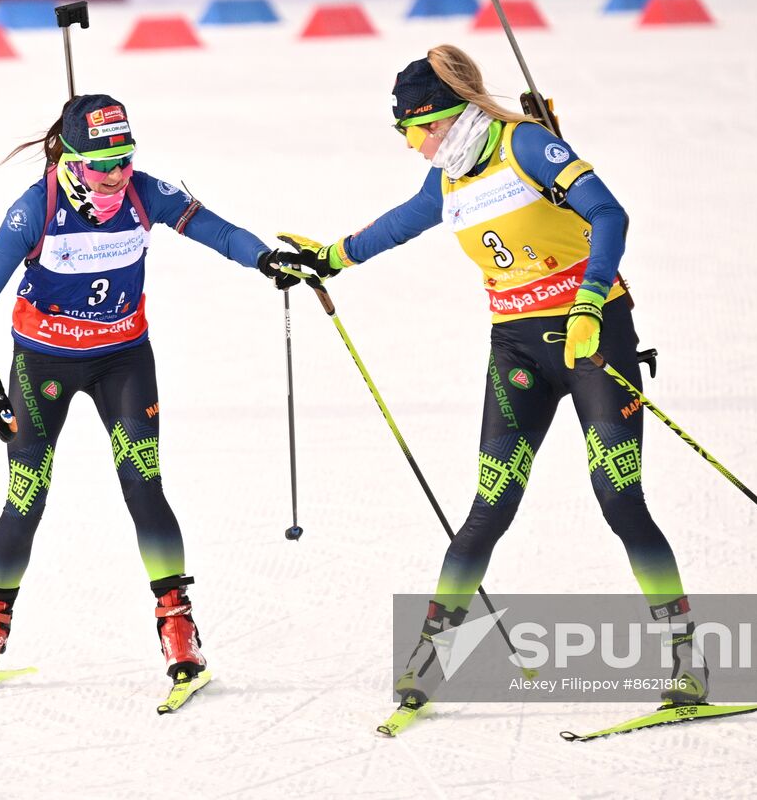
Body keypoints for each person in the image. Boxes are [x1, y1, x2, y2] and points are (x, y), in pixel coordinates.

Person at [283, 45, 706, 709]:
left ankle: (686, 658)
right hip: (516, 347)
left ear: (447, 117)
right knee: (488, 507)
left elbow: (610, 215)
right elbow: (400, 224)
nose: (411, 146)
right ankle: (430, 657)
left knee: (619, 498)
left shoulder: (524, 144)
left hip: (590, 335)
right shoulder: (449, 173)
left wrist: (593, 299)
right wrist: (331, 257)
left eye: (414, 131)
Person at [0, 94, 302, 697]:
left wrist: (265, 259)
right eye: (102, 164)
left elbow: (213, 227)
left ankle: (177, 623)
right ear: (71, 160)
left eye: (125, 160)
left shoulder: (145, 193)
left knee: (145, 485)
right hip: (44, 364)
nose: (117, 175)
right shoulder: (35, 209)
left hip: (122, 360)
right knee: (25, 497)